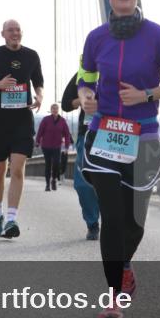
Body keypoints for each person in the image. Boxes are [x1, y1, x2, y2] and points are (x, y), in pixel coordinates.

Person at [78, 0, 160, 318]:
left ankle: (123, 265)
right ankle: (114, 297)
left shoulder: (157, 35)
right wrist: (86, 96)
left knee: (134, 222)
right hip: (104, 134)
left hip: (143, 136)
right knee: (112, 217)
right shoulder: (96, 38)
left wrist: (146, 94)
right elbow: (86, 77)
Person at [0, 19, 44, 239]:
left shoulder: (31, 55)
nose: (15, 33)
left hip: (22, 120)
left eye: (18, 30)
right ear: (3, 34)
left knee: (17, 169)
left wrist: (39, 96)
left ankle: (12, 219)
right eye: (10, 30)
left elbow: (38, 82)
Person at [61, 70, 101, 240]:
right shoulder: (84, 73)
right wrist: (84, 100)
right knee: (84, 184)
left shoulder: (126, 68)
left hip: (118, 132)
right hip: (88, 133)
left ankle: (114, 221)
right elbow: (65, 104)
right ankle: (92, 223)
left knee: (115, 182)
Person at [36, 103, 72, 191]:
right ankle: (47, 184)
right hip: (46, 146)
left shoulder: (62, 121)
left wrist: (67, 146)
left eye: (56, 109)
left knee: (56, 163)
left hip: (57, 146)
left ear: (58, 110)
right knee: (48, 165)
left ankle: (54, 180)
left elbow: (67, 134)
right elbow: (40, 131)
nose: (55, 110)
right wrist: (37, 141)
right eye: (53, 109)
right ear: (51, 110)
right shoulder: (46, 120)